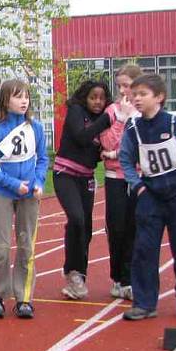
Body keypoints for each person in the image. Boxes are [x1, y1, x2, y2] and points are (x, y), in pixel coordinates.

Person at [119, 73, 176, 320]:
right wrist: (138, 187)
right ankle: (145, 302)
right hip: (150, 197)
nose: (136, 99)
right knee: (144, 250)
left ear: (159, 97)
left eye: (142, 94)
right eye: (134, 95)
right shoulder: (134, 129)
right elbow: (125, 158)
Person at [0, 79, 49, 318]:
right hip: (3, 194)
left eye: (26, 96)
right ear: (6, 101)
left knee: (26, 246)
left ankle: (24, 298)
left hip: (29, 196)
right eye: (18, 96)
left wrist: (38, 182)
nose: (24, 101)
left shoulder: (36, 129)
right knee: (1, 248)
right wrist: (12, 184)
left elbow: (42, 159)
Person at [53, 79, 119, 300]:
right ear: (85, 97)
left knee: (86, 228)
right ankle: (71, 271)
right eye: (93, 97)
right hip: (65, 174)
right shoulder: (76, 111)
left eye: (102, 98)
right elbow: (81, 137)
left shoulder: (104, 122)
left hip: (86, 178)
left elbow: (102, 148)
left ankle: (79, 275)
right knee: (76, 218)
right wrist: (107, 119)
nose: (98, 102)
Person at [99, 64, 141, 300]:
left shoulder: (143, 110)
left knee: (135, 229)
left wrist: (117, 154)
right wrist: (121, 120)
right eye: (120, 86)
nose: (123, 91)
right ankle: (118, 279)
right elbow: (106, 142)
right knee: (116, 229)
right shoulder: (112, 111)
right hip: (115, 178)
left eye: (128, 85)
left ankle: (131, 279)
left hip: (137, 177)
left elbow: (140, 146)